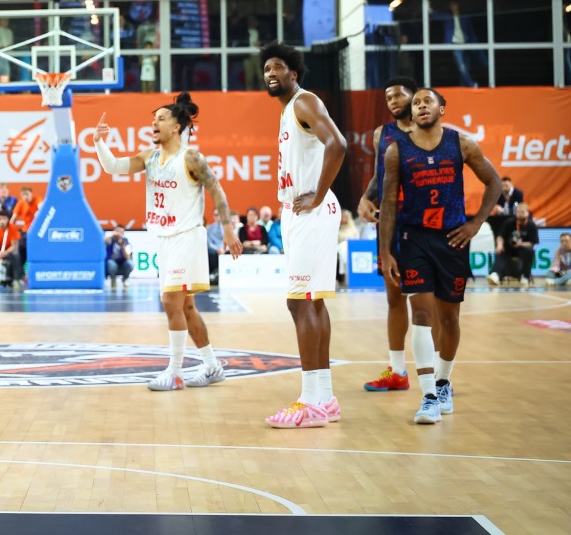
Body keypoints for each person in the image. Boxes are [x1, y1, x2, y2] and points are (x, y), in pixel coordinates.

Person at [95, 92, 243, 392]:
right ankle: (212, 365)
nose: (154, 122)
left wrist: (228, 229)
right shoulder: (149, 158)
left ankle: (175, 372)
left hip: (186, 236)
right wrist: (99, 142)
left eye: (161, 119)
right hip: (164, 239)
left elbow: (217, 190)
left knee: (169, 300)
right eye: (153, 119)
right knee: (187, 308)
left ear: (176, 127)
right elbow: (113, 167)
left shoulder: (190, 158)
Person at [379, 87, 503, 425]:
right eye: (416, 103)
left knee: (449, 319)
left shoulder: (461, 144)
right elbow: (388, 203)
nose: (421, 106)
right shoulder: (396, 150)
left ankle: (444, 381)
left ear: (442, 109)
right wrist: (385, 251)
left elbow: (494, 183)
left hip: (452, 239)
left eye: (427, 101)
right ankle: (429, 396)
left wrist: (475, 223)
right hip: (414, 239)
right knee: (421, 314)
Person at [260, 43, 348, 428]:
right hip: (300, 211)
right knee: (311, 302)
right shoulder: (288, 110)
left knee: (299, 303)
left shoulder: (304, 102)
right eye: (266, 68)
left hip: (310, 209)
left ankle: (310, 402)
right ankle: (324, 398)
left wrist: (318, 194)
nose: (270, 73)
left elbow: (338, 144)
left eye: (277, 67)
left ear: (293, 73)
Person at [356, 77, 422, 393]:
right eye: (388, 97)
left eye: (399, 95)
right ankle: (397, 371)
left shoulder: (428, 130)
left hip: (423, 224)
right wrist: (366, 197)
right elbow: (379, 175)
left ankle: (439, 377)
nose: (393, 101)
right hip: (390, 224)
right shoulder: (381, 134)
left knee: (427, 302)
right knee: (394, 298)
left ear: (415, 97)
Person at [490, 203, 539, 287]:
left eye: (522, 212)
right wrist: (499, 245)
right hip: (509, 248)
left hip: (522, 248)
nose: (520, 214)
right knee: (500, 250)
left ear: (527, 213)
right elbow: (500, 236)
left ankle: (525, 276)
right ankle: (496, 275)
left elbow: (532, 243)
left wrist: (521, 244)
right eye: (518, 212)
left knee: (530, 251)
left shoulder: (531, 225)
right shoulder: (509, 222)